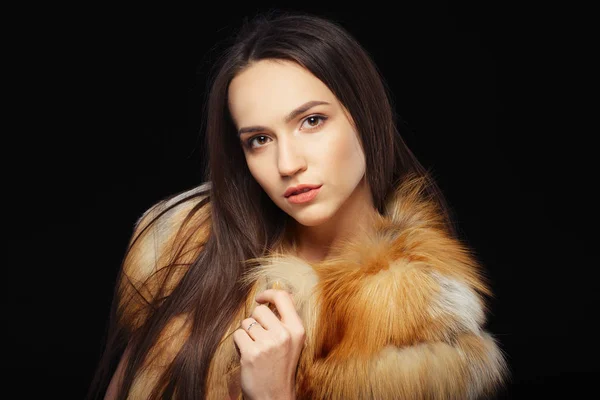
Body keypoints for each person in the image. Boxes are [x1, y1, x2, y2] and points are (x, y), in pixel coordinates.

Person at [87, 10, 509, 400]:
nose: (287, 164)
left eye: (311, 121)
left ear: (364, 117)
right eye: (260, 140)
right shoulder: (190, 246)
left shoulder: (423, 329)